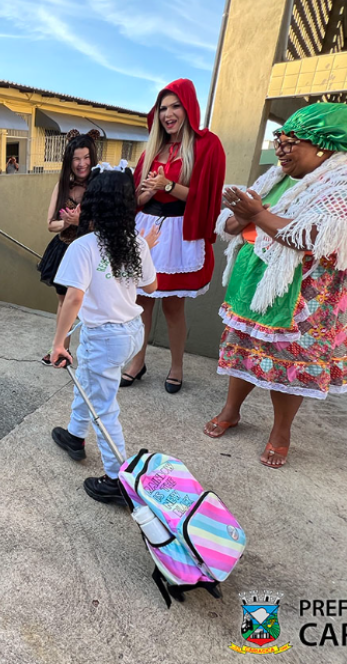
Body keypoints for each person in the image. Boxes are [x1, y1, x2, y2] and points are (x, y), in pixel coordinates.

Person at [204, 103, 347, 468]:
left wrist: (256, 215)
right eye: (279, 139)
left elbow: (316, 234)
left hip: (309, 294)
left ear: (323, 144)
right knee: (244, 348)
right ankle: (231, 410)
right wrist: (241, 217)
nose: (282, 149)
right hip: (257, 282)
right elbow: (235, 222)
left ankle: (280, 432)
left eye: (292, 141)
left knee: (289, 362)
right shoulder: (277, 175)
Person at [48, 167, 158, 506]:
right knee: (90, 381)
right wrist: (146, 250)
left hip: (105, 337)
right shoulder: (136, 242)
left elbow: (74, 297)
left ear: (92, 202)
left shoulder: (83, 246)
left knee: (104, 406)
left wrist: (58, 342)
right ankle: (75, 435)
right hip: (131, 332)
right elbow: (151, 287)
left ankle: (116, 479)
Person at [122, 78, 226, 393]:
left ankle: (177, 367)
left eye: (174, 106)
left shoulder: (207, 145)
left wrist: (166, 185)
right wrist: (143, 193)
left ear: (188, 107)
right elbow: (137, 199)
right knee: (140, 302)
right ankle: (137, 362)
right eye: (163, 108)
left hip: (180, 233)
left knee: (173, 306)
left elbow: (207, 198)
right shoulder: (152, 149)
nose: (168, 114)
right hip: (146, 228)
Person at [37, 129, 100, 365]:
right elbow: (50, 224)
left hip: (93, 253)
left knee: (92, 305)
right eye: (76, 158)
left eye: (86, 158)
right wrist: (68, 222)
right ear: (69, 160)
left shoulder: (101, 186)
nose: (81, 163)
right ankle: (61, 348)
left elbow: (109, 223)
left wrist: (82, 221)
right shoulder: (62, 186)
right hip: (64, 250)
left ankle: (92, 354)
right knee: (65, 302)